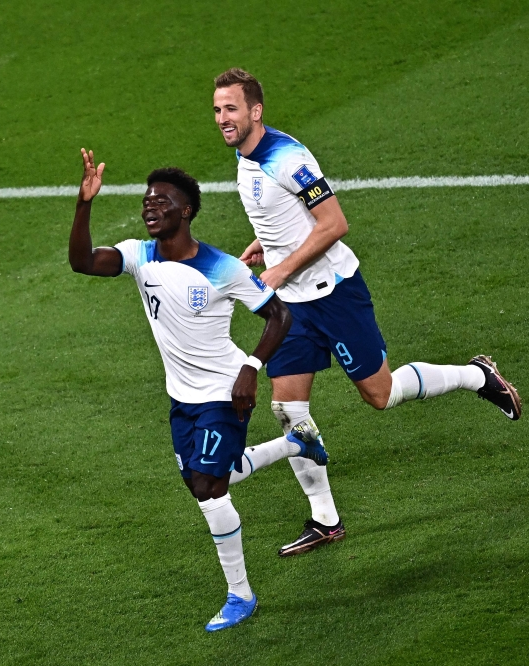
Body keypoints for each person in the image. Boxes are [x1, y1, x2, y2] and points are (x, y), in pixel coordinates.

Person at [213, 68, 523, 555]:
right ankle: (325, 519)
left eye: (231, 109)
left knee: (380, 394)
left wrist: (277, 271)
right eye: (217, 110)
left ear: (255, 111)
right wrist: (264, 246)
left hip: (333, 293)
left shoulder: (287, 157)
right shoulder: (246, 155)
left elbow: (334, 223)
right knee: (286, 406)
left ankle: (477, 377)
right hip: (292, 308)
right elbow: (283, 214)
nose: (222, 118)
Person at [68, 151, 329, 631]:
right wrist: (84, 204)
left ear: (185, 211)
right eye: (147, 200)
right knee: (205, 481)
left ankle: (240, 596)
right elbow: (83, 262)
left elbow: (280, 315)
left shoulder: (221, 267)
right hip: (181, 398)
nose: (150, 207)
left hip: (224, 393)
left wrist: (251, 368)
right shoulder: (139, 255)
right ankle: (296, 442)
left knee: (210, 489)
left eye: (161, 201)